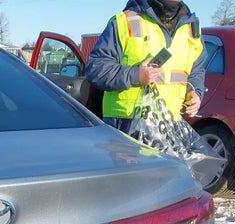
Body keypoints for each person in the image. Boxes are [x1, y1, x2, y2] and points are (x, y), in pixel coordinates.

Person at [86, 0, 206, 132]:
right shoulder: (126, 21)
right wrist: (136, 75)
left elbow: (196, 71)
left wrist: (194, 92)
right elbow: (96, 68)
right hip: (123, 124)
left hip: (169, 128)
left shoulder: (191, 28)